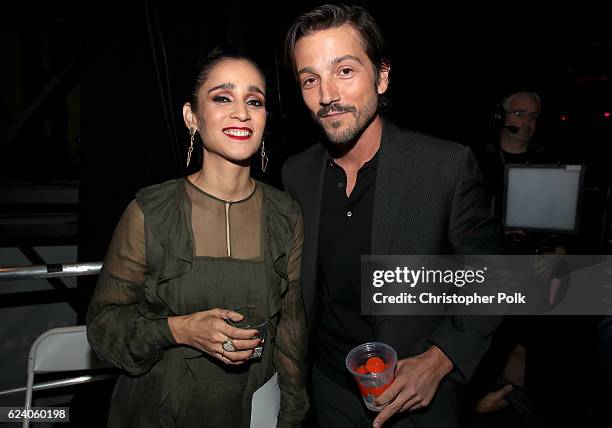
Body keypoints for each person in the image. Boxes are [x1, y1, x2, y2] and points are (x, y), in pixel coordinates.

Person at [281, 4, 505, 427]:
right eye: (310, 79)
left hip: (418, 397)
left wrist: (440, 361)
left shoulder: (445, 166)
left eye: (344, 71)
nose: (327, 95)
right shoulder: (297, 173)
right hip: (329, 388)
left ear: (381, 76)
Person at [86, 47, 308, 427]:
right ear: (192, 116)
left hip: (250, 411)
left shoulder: (285, 215)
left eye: (254, 100)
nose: (241, 112)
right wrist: (180, 329)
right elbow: (103, 329)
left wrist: (291, 416)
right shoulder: (149, 211)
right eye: (222, 97)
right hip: (158, 411)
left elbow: (290, 329)